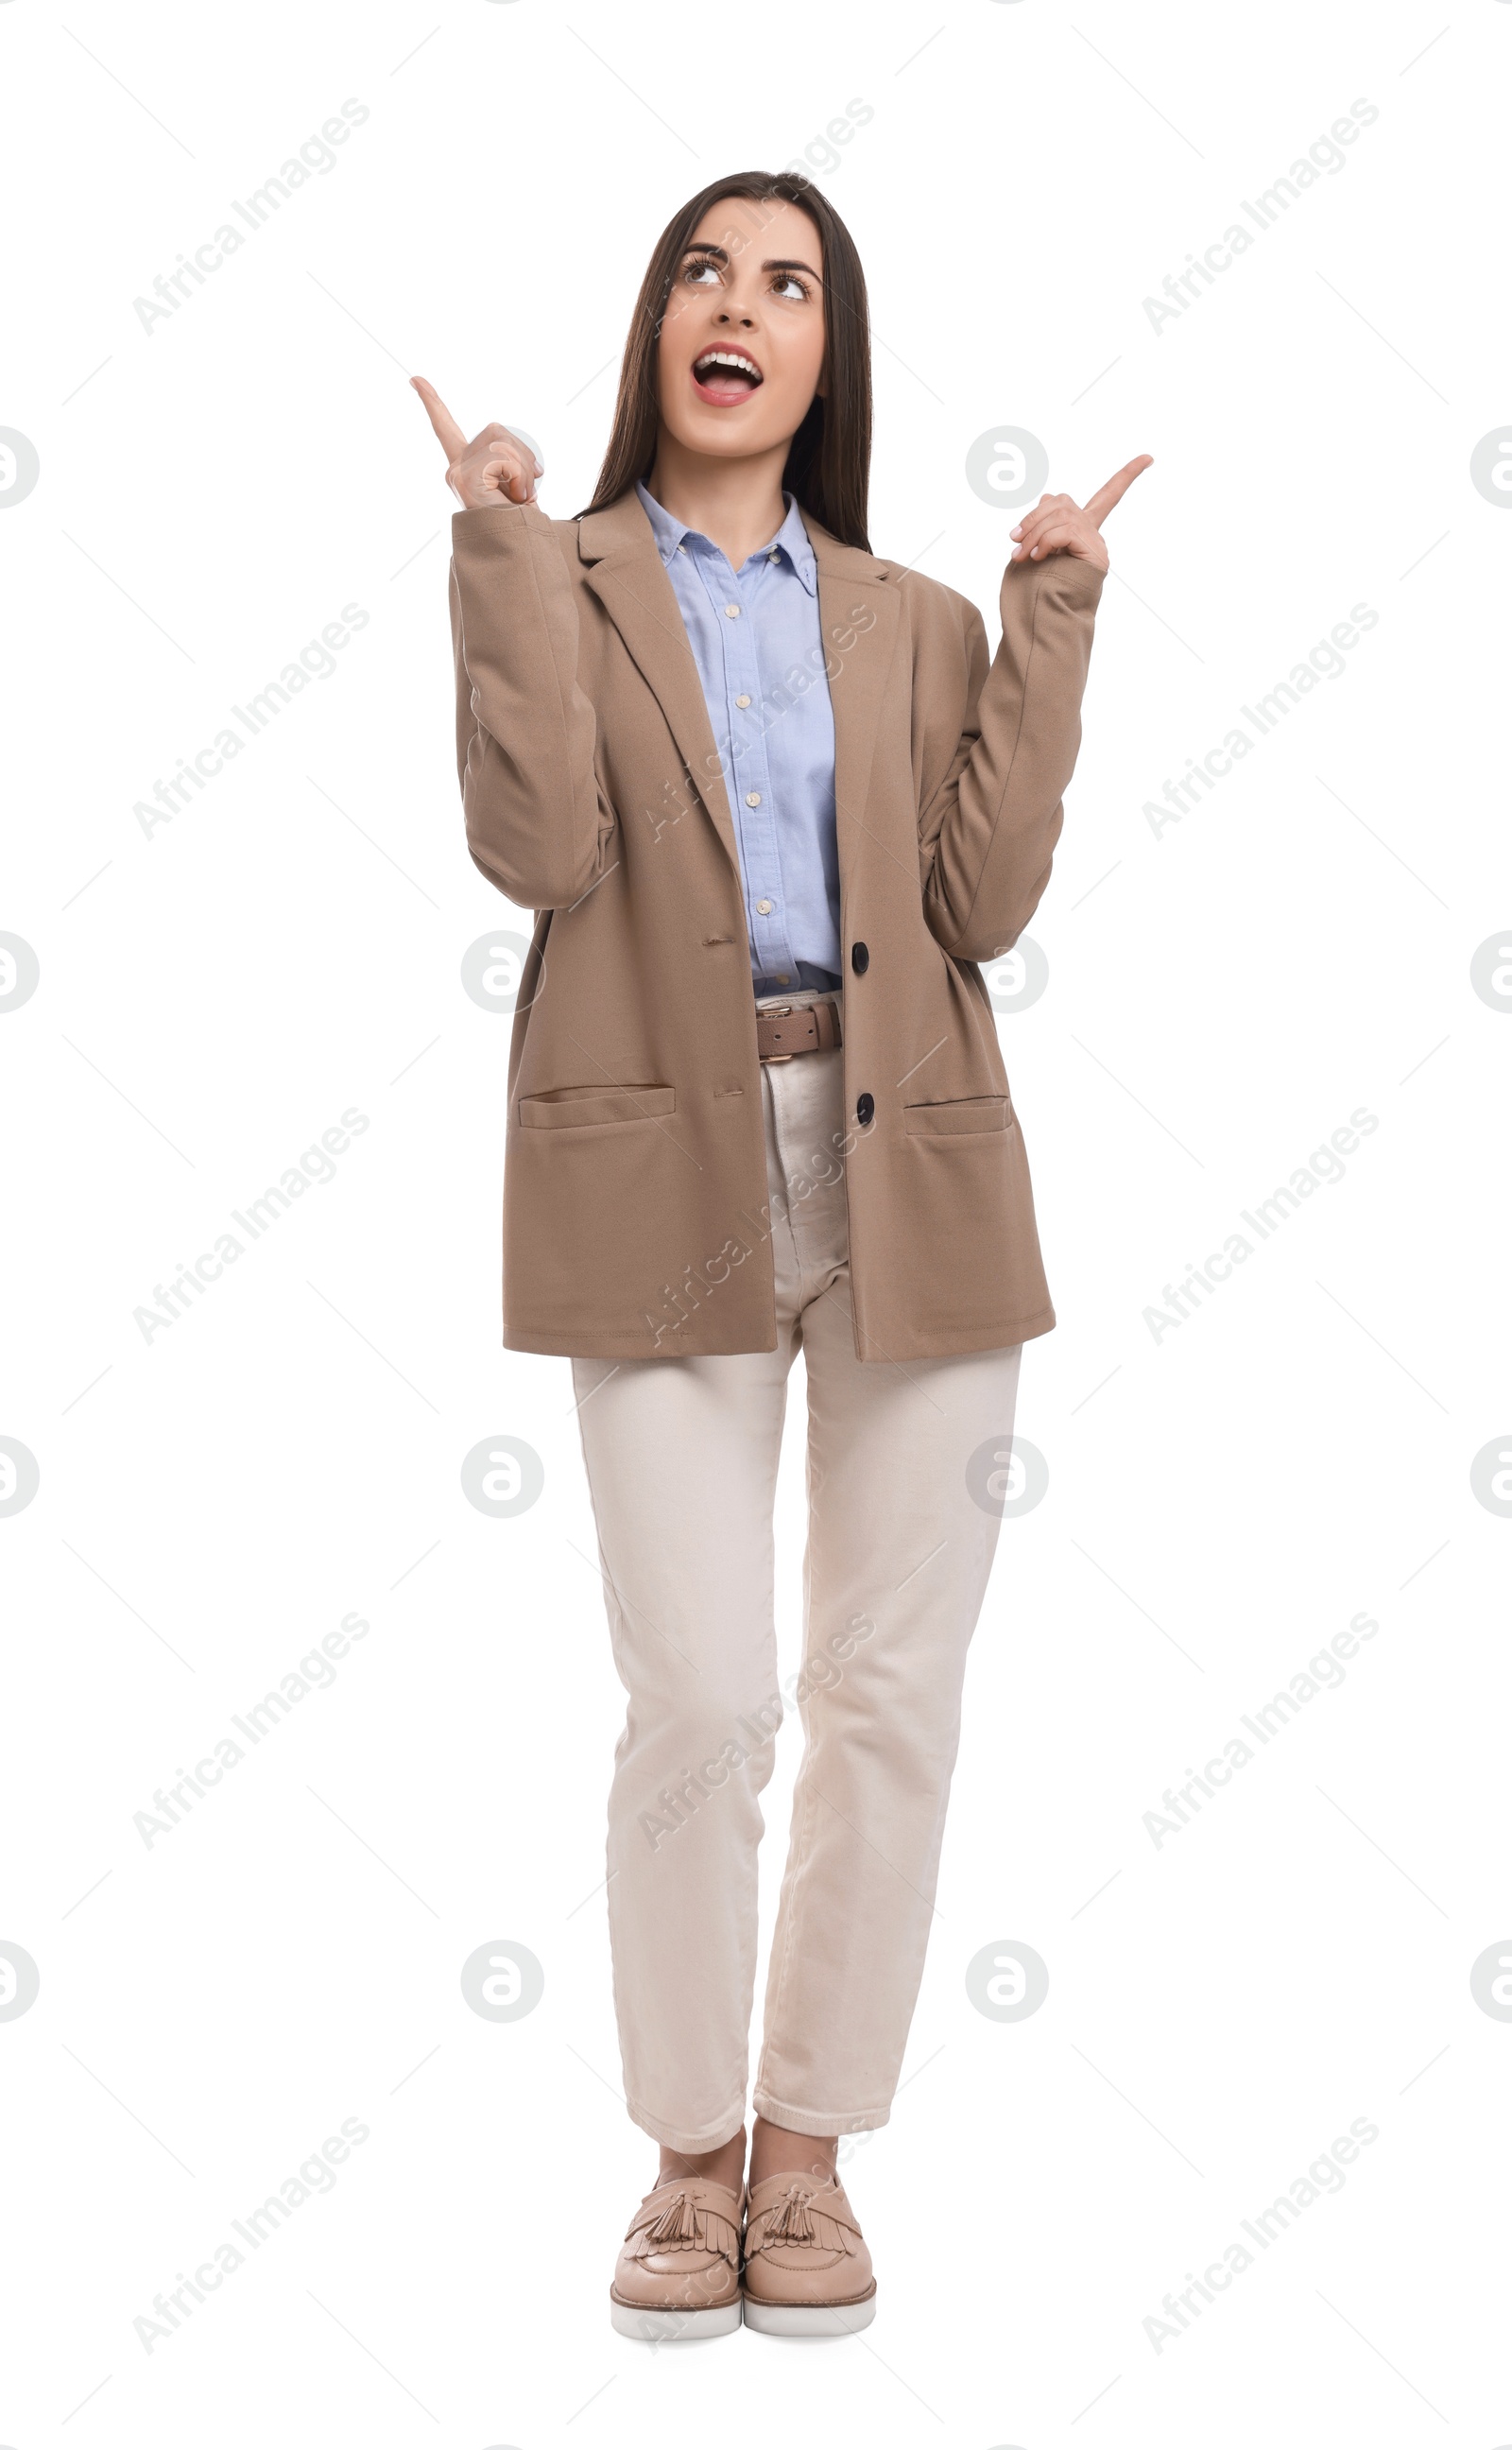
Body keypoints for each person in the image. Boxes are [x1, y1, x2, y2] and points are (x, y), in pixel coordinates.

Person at [415, 168, 1148, 2341]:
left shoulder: (909, 613)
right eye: (704, 273)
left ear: (826, 356)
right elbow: (535, 844)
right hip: (656, 1161)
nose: (739, 306)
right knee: (703, 1700)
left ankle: (809, 2155)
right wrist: (488, 551)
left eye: (790, 283)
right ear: (655, 327)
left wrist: (1053, 617)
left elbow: (982, 901)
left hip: (908, 1158)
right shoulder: (554, 574)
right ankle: (681, 2161)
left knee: (888, 1692)